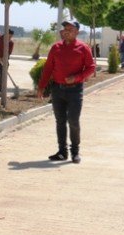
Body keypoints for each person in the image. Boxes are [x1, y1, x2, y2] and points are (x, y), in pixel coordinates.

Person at [38, 18, 95, 164]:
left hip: (75, 91)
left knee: (73, 120)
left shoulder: (83, 48)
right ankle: (62, 152)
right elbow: (48, 68)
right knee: (60, 121)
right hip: (57, 89)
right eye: (64, 29)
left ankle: (75, 151)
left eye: (70, 30)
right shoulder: (56, 47)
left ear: (76, 32)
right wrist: (41, 87)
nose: (66, 32)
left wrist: (77, 77)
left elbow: (91, 68)